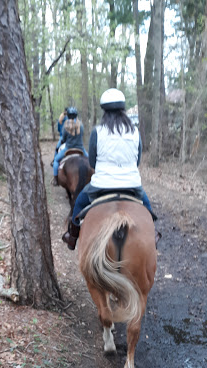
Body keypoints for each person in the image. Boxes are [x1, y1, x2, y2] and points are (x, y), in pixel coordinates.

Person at [62, 88, 160, 250]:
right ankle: (153, 235)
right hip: (131, 185)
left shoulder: (97, 132)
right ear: (123, 109)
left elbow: (92, 163)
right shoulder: (135, 131)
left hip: (102, 185)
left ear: (104, 112)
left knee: (79, 203)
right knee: (147, 209)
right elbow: (137, 161)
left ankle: (72, 237)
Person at [52, 107, 88, 186]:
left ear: (67, 115)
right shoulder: (80, 125)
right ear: (76, 115)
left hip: (68, 149)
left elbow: (64, 139)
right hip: (80, 148)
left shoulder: (66, 126)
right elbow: (82, 135)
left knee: (56, 160)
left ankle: (55, 179)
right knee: (91, 161)